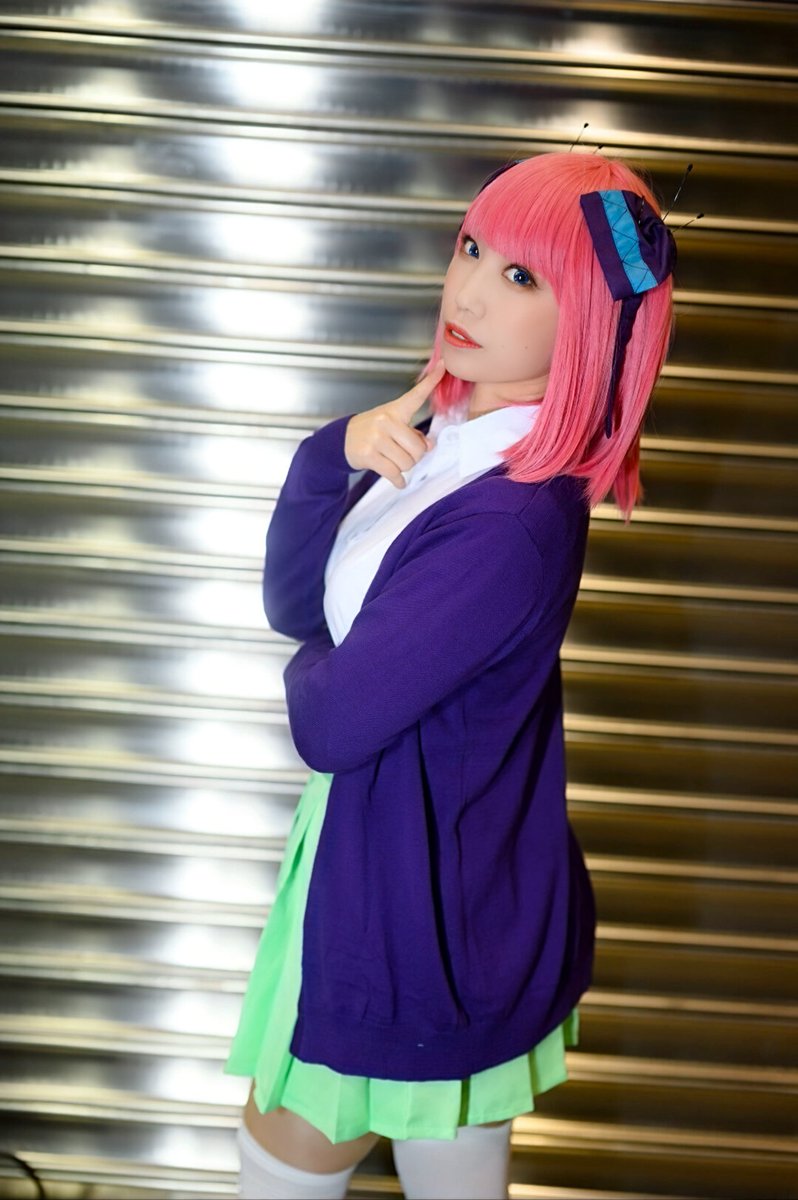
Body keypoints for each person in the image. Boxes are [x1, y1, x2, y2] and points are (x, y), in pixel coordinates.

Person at [224, 150, 676, 1199]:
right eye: (471, 248)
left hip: (417, 899)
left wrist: (321, 671)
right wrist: (333, 452)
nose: (467, 291)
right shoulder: (448, 431)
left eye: (520, 276)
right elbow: (298, 606)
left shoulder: (509, 518)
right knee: (449, 1150)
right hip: (411, 866)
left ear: (588, 324)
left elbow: (333, 722)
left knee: (287, 1152)